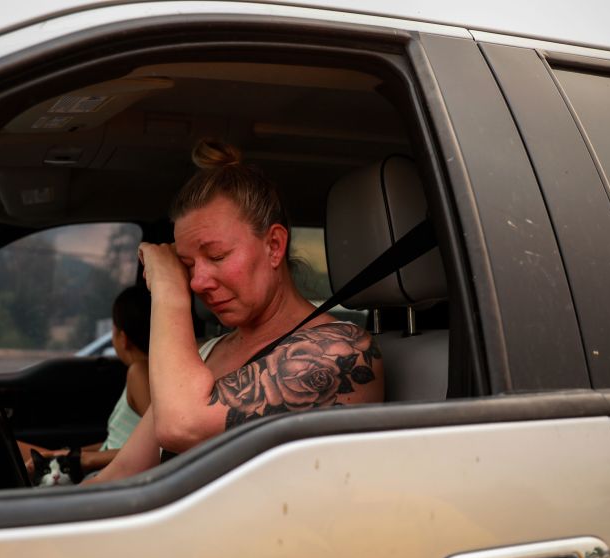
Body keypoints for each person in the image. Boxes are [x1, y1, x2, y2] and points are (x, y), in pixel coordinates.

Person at [86, 139, 383, 484]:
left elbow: (180, 426)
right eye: (185, 265)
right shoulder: (208, 352)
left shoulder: (341, 352)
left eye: (217, 257)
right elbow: (123, 472)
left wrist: (169, 288)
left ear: (274, 246)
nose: (197, 281)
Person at [19, 285, 151, 478]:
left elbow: (159, 445)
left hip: (109, 476)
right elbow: (115, 443)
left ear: (122, 338)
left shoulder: (139, 372)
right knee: (6, 448)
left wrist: (86, 460)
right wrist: (68, 453)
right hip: (108, 468)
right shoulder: (142, 372)